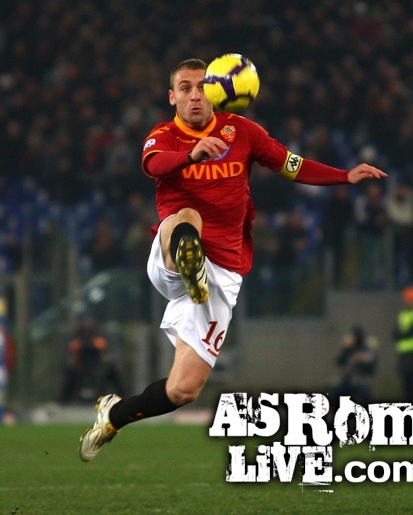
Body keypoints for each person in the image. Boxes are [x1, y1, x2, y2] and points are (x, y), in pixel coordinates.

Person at [79, 58, 387, 461]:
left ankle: (113, 415)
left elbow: (291, 164)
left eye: (201, 87)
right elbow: (154, 165)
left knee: (183, 390)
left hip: (221, 275)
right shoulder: (164, 136)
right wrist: (192, 155)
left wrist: (343, 176)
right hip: (171, 258)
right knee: (186, 218)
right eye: (185, 88)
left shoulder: (242, 132)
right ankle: (187, 263)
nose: (194, 95)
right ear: (172, 97)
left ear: (215, 91)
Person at [61, 320, 125, 404]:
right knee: (69, 373)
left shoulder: (99, 342)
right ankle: (64, 399)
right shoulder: (76, 344)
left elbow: (104, 357)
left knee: (112, 370)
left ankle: (121, 396)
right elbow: (72, 358)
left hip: (97, 368)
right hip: (80, 368)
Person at [329, 325, 378, 408]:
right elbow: (339, 362)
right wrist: (347, 349)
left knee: (366, 394)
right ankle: (335, 412)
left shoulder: (367, 350)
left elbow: (371, 368)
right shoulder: (348, 349)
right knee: (335, 391)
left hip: (361, 381)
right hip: (346, 380)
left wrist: (363, 360)